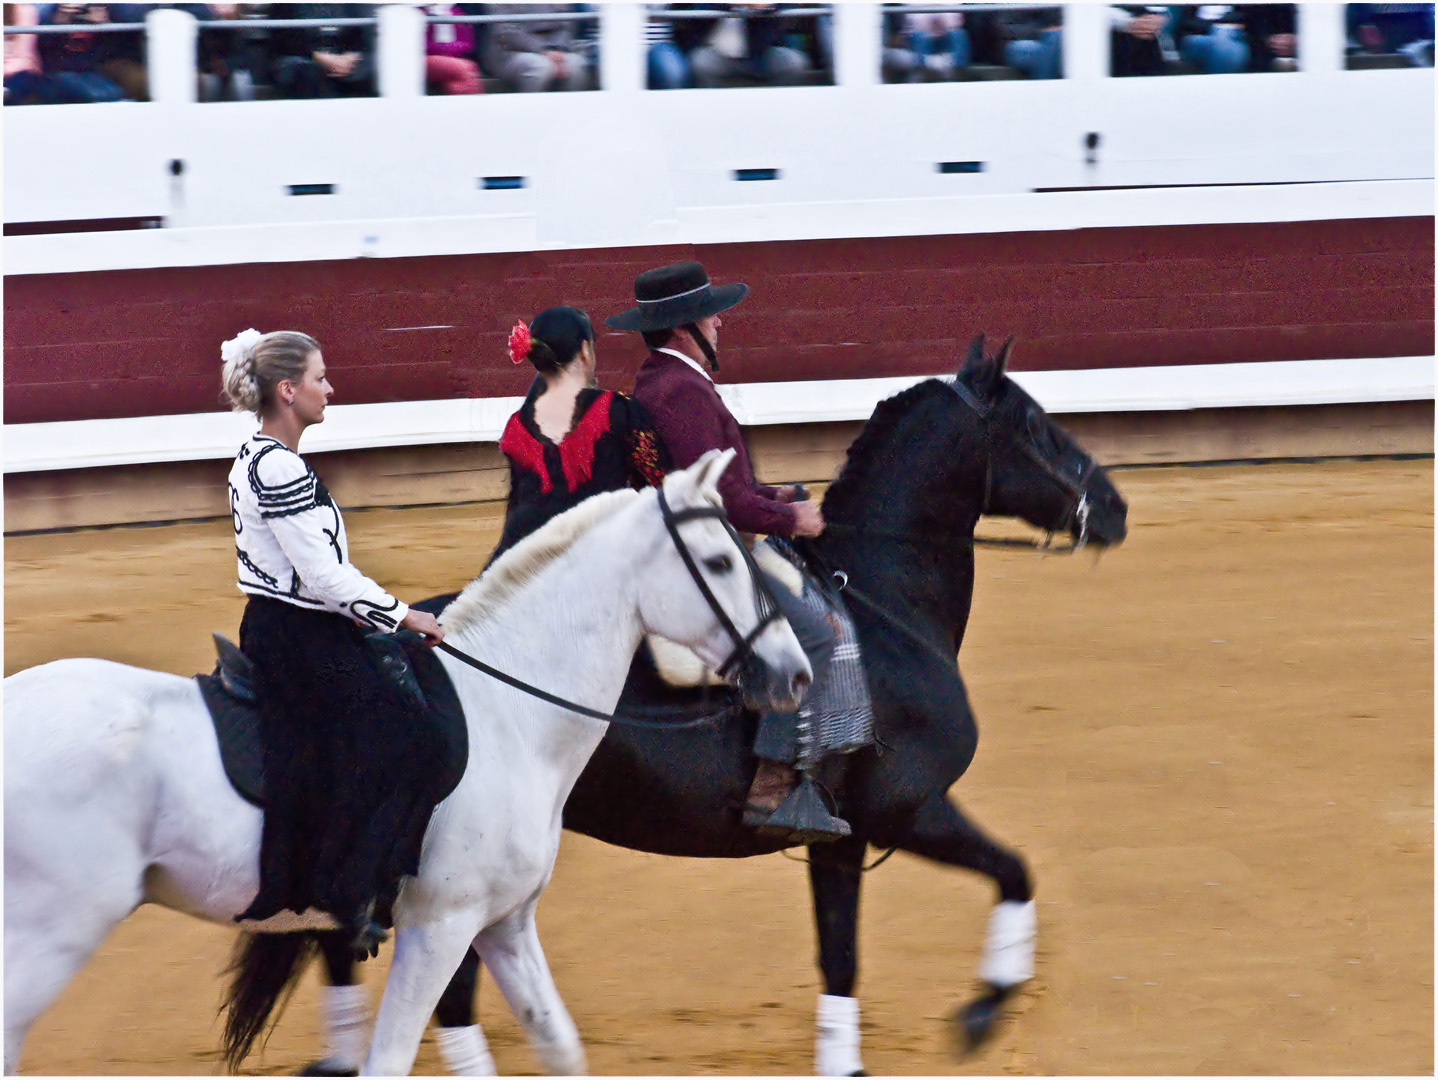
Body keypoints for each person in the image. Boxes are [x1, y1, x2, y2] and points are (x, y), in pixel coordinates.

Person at [220, 328, 448, 958]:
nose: (331, 388)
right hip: (298, 635)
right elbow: (322, 577)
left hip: (287, 625)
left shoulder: (254, 457)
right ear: (288, 390)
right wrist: (403, 616)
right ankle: (348, 891)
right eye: (320, 377)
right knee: (414, 741)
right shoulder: (278, 465)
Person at [606, 260, 851, 841]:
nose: (720, 323)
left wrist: (774, 495)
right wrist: (789, 516)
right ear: (682, 326)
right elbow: (718, 499)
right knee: (812, 633)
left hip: (697, 537)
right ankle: (772, 787)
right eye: (710, 314)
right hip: (704, 551)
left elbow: (726, 487)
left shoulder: (666, 381)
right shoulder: (681, 390)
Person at [494, 304, 668, 563]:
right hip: (608, 566)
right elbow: (662, 486)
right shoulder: (618, 410)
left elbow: (519, 513)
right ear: (585, 351)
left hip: (536, 573)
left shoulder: (516, 427)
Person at [267, 3, 376, 99]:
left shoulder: (353, 5)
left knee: (370, 69)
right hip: (302, 57)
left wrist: (351, 56)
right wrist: (318, 57)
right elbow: (283, 39)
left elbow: (360, 32)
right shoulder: (284, 5)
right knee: (309, 74)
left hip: (343, 56)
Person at [480, 3, 593, 93]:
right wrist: (543, 50)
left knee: (576, 64)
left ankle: (570, 115)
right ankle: (531, 116)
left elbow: (566, 23)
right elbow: (506, 32)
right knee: (540, 67)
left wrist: (558, 49)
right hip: (510, 51)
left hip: (555, 48)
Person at [424, 3, 483, 95]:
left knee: (455, 84)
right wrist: (450, 48)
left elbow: (468, 44)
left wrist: (445, 48)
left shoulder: (455, 11)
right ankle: (475, 106)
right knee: (464, 68)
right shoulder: (419, 12)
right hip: (422, 59)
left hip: (451, 59)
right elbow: (423, 45)